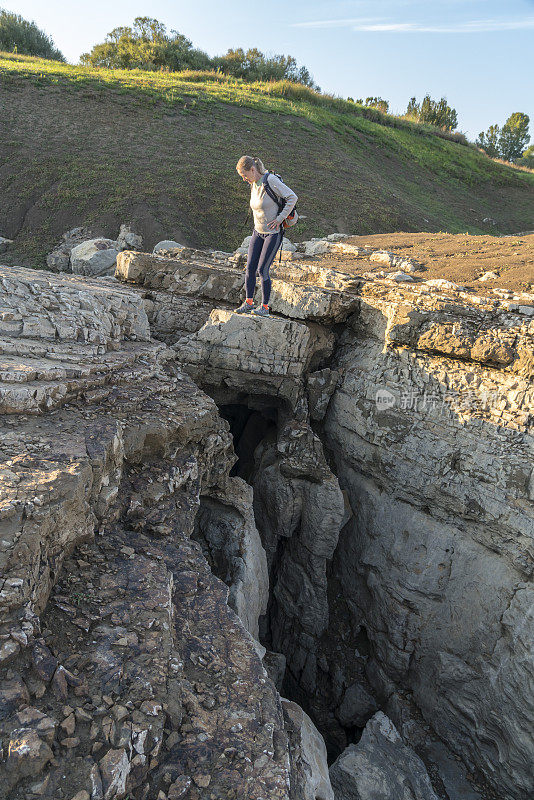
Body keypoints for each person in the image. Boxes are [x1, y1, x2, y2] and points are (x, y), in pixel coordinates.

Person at [234, 155, 298, 317]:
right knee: (249, 268)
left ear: (253, 170)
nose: (244, 179)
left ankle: (265, 307)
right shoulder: (253, 183)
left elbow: (292, 197)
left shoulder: (270, 181)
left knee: (263, 270)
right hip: (257, 232)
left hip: (273, 234)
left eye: (244, 175)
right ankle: (248, 303)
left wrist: (280, 218)